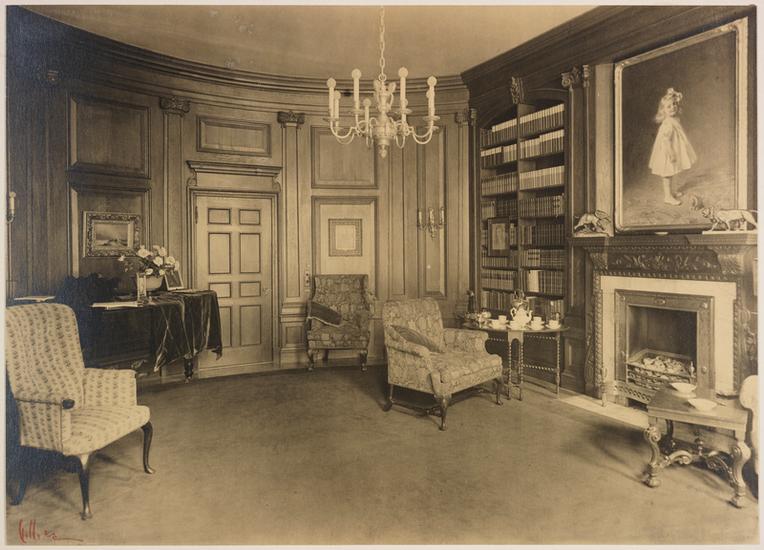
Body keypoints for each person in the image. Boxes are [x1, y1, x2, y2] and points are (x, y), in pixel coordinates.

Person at [648, 88, 697, 205]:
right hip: (667, 151)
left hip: (672, 148)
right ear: (663, 110)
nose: (672, 107)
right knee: (667, 174)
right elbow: (666, 140)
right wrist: (671, 153)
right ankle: (667, 196)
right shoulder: (668, 123)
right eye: (668, 106)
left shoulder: (673, 120)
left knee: (672, 171)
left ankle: (672, 192)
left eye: (674, 104)